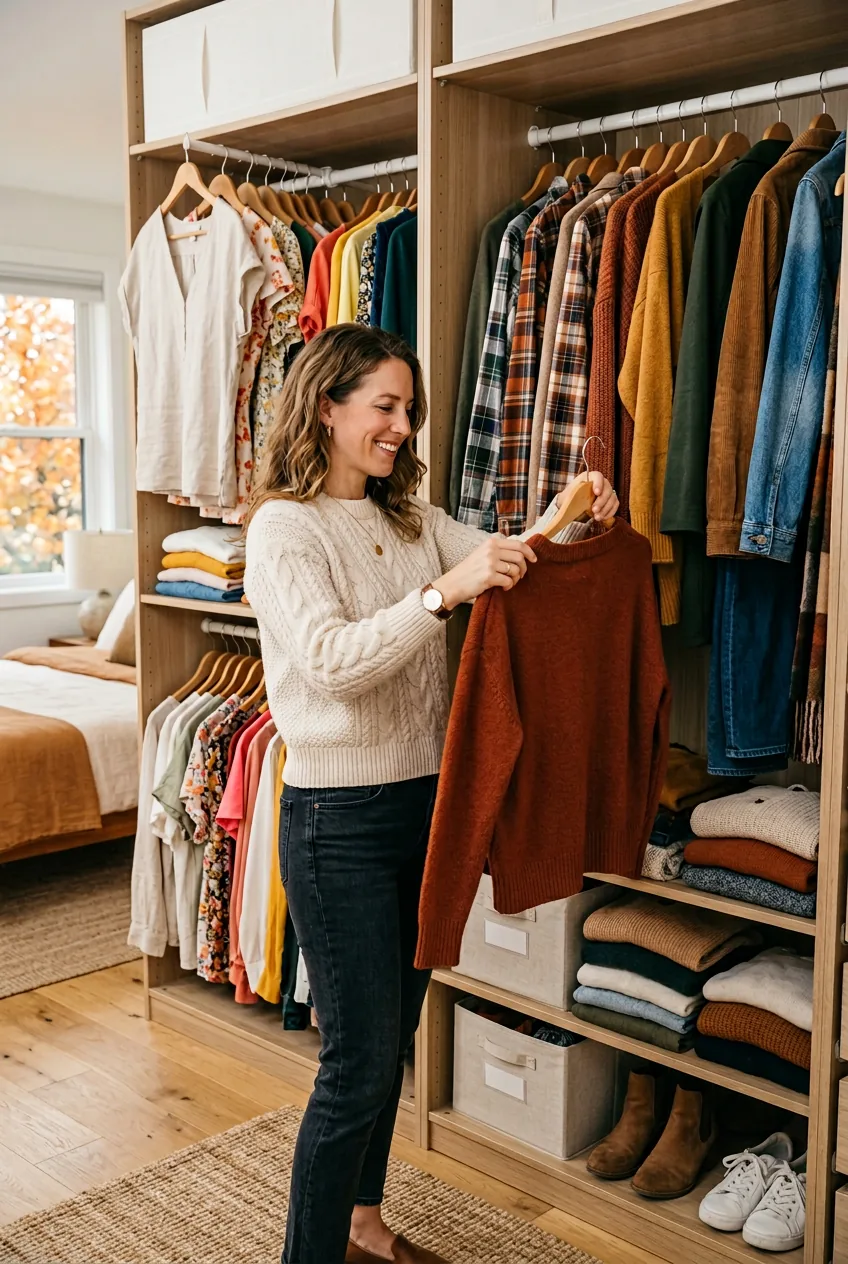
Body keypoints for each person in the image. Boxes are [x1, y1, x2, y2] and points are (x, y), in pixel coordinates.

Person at [244, 324, 618, 1264]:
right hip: (338, 824)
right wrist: (440, 596)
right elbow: (331, 663)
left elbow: (509, 552)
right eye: (386, 407)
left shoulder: (407, 517)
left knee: (393, 1040)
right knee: (356, 1066)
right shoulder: (282, 528)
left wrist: (579, 512)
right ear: (327, 407)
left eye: (409, 410)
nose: (404, 427)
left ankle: (364, 1224)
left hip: (426, 808)